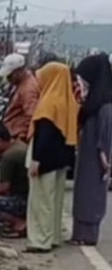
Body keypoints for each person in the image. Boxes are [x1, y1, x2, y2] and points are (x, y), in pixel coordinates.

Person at [26, 62, 79, 253]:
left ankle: (40, 240)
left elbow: (45, 135)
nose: (39, 81)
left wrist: (36, 160)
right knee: (55, 202)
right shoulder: (69, 101)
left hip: (45, 160)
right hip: (62, 160)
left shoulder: (49, 103)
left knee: (41, 201)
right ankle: (53, 236)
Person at [70, 53, 112, 246]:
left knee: (91, 196)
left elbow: (106, 137)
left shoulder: (105, 107)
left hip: (96, 161)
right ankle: (79, 234)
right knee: (82, 195)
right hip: (86, 158)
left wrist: (105, 159)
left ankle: (88, 236)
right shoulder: (92, 105)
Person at [0, 53, 41, 142]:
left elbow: (31, 116)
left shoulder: (28, 88)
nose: (8, 78)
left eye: (10, 75)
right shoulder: (20, 84)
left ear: (19, 71)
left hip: (17, 136)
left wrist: (21, 137)